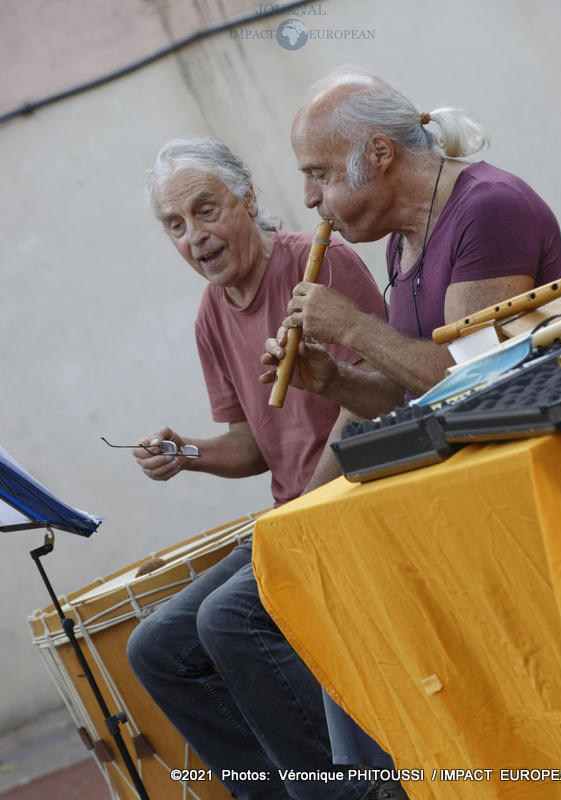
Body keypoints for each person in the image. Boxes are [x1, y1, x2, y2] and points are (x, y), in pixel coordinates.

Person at [260, 66, 561, 794]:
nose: (310, 199)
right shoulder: (403, 240)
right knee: (288, 583)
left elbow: (473, 381)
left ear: (379, 154)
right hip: (448, 484)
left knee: (274, 604)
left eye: (318, 174)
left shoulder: (489, 208)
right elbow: (406, 392)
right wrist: (332, 380)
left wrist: (353, 328)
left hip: (509, 490)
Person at [125, 136, 388, 800]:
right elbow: (250, 445)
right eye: (174, 225)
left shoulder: (317, 264)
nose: (194, 237)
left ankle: (350, 791)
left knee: (228, 618)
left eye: (205, 210)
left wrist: (303, 509)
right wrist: (185, 453)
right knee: (155, 649)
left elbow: (377, 399)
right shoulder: (211, 315)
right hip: (291, 518)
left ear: (246, 198)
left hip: (356, 499)